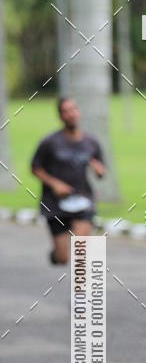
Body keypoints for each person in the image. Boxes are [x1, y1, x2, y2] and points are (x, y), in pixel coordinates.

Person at [31, 97, 105, 265]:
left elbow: (101, 170)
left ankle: (80, 289)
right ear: (60, 116)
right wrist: (54, 183)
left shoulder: (91, 142)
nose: (70, 114)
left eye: (73, 110)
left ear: (78, 112)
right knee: (62, 258)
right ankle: (57, 255)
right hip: (55, 203)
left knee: (81, 250)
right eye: (66, 111)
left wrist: (99, 170)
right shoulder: (50, 142)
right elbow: (35, 168)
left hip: (83, 200)